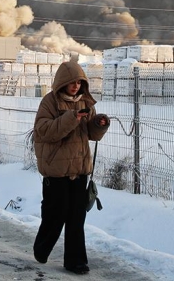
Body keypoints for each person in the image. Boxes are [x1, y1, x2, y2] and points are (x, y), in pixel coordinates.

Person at [32, 60, 109, 275]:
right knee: (55, 214)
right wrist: (71, 118)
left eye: (79, 82)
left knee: (76, 217)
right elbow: (43, 131)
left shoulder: (86, 102)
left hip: (79, 168)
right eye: (71, 82)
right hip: (55, 170)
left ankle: (76, 261)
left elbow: (92, 135)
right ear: (62, 82)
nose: (75, 86)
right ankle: (42, 247)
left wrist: (99, 124)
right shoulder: (50, 102)